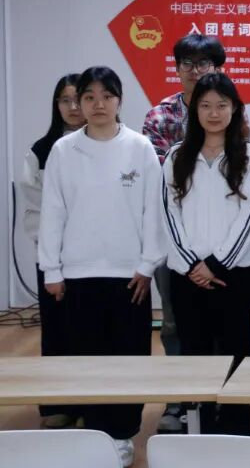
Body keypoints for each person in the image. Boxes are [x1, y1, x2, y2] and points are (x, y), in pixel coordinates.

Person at [38, 67, 164, 467]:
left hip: (130, 275)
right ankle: (95, 433)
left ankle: (122, 435)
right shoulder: (64, 151)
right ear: (79, 103)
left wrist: (147, 264)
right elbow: (53, 212)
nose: (97, 104)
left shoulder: (140, 148)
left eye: (106, 96)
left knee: (129, 356)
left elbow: (153, 211)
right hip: (78, 273)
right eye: (88, 97)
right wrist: (52, 269)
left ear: (119, 101)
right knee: (86, 358)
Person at [162, 73, 250, 435]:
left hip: (236, 273)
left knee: (237, 351)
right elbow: (168, 215)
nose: (214, 113)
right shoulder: (177, 156)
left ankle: (236, 431)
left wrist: (217, 263)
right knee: (195, 353)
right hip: (187, 274)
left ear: (235, 108)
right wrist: (194, 264)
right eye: (205, 105)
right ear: (194, 109)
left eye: (222, 105)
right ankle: (199, 428)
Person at [142, 33, 227, 432]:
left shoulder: (232, 113)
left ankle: (219, 397)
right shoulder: (160, 117)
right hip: (173, 239)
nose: (196, 71)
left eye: (204, 63)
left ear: (217, 68)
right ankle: (178, 400)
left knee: (219, 322)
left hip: (222, 242)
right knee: (175, 323)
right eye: (188, 64)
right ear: (177, 69)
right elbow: (166, 182)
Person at [18, 72, 84, 429]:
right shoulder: (41, 152)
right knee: (57, 331)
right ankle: (58, 403)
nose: (73, 107)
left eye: (79, 98)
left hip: (97, 259)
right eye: (65, 100)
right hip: (55, 258)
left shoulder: (114, 146)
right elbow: (34, 212)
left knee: (93, 332)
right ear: (56, 105)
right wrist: (53, 256)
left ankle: (96, 403)